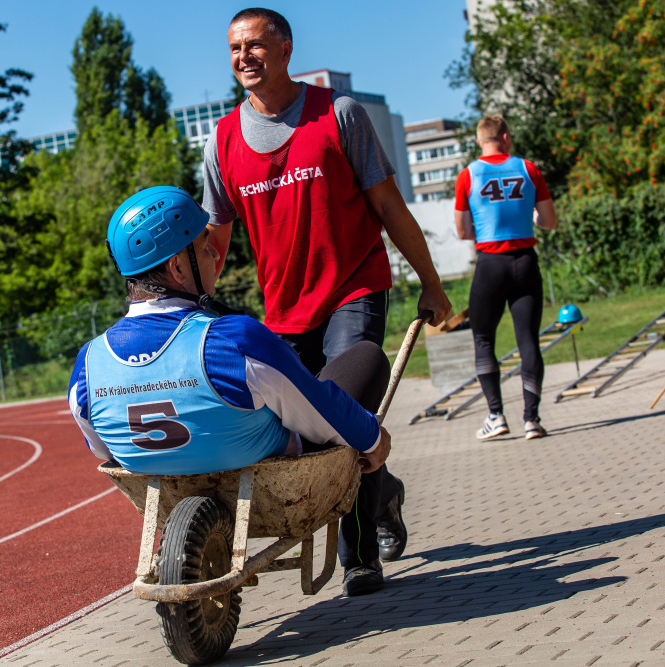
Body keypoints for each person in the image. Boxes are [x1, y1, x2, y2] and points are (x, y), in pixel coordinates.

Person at [201, 7, 452, 580]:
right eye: (235, 48)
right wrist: (192, 306)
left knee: (344, 412)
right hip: (284, 310)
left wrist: (431, 282)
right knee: (307, 431)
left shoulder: (339, 114)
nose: (244, 57)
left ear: (285, 49)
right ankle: (385, 491)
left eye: (255, 45)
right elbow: (216, 238)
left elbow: (388, 204)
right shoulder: (222, 140)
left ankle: (359, 560)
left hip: (352, 288)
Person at [69, 186, 395, 597]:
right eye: (204, 246)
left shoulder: (89, 362)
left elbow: (103, 451)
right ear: (177, 267)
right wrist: (372, 438)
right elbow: (319, 412)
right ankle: (370, 530)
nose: (214, 255)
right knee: (366, 357)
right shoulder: (231, 339)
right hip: (270, 472)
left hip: (162, 482)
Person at [454, 115, 558, 441]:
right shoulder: (528, 168)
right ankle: (531, 419)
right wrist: (532, 217)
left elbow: (462, 231)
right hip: (525, 261)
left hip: (490, 264)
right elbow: (549, 221)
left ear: (479, 141)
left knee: (483, 339)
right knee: (528, 339)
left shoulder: (468, 175)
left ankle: (496, 415)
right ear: (506, 138)